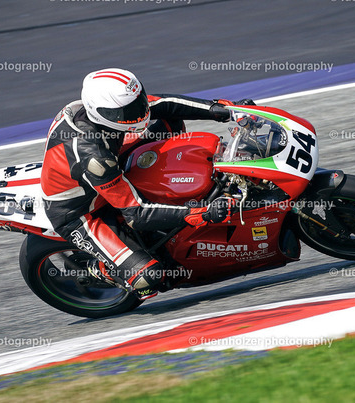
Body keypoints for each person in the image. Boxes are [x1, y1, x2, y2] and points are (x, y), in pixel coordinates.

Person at [40, 68, 252, 299]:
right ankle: (100, 269)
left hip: (108, 163)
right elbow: (136, 214)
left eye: (138, 103)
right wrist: (203, 212)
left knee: (169, 122)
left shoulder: (107, 110)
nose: (140, 114)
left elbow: (164, 103)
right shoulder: (93, 156)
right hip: (82, 213)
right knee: (149, 279)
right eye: (128, 112)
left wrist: (223, 110)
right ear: (102, 113)